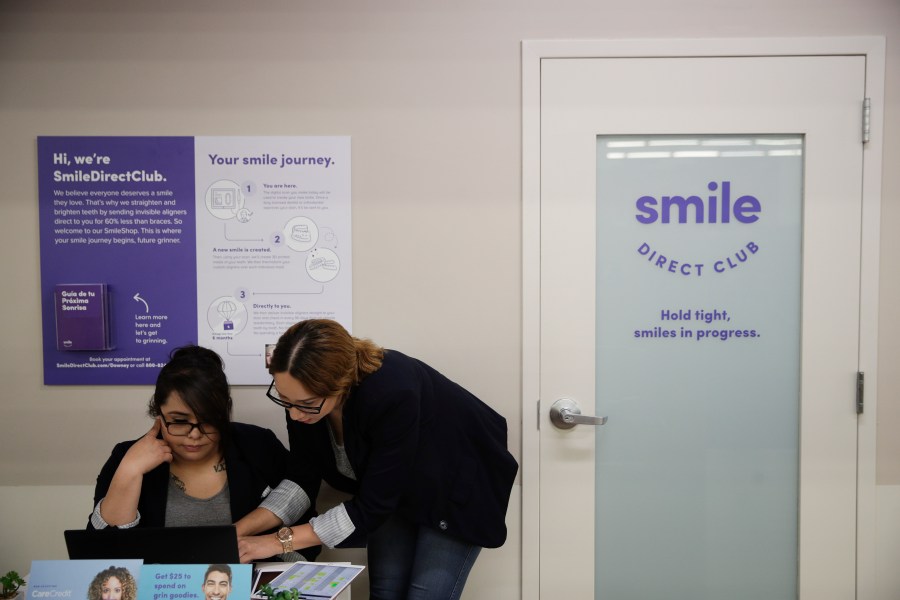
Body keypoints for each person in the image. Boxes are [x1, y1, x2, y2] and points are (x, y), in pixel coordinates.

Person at [238, 319, 518, 600]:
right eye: (285, 399)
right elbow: (301, 477)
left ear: (341, 383)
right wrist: (237, 533)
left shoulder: (392, 391)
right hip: (391, 490)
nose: (295, 415)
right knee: (385, 591)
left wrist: (276, 542)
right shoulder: (302, 400)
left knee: (425, 595)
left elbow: (371, 507)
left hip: (454, 485)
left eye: (306, 404)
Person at [88, 345, 318, 561]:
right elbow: (104, 553)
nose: (194, 435)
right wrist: (130, 471)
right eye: (179, 421)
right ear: (159, 413)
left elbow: (305, 529)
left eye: (208, 421)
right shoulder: (127, 456)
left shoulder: (257, 445)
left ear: (225, 411)